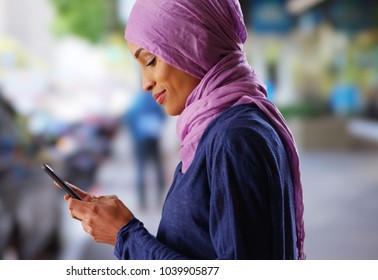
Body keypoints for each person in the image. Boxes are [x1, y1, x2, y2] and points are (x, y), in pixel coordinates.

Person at [63, 0, 305, 260]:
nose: (146, 83)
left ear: (193, 44)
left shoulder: (232, 139)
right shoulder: (220, 130)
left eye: (151, 60)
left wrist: (125, 235)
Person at [124, 89, 166, 210]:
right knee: (157, 168)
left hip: (140, 140)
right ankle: (160, 199)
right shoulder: (154, 99)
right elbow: (162, 116)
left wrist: (135, 134)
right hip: (153, 138)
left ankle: (142, 202)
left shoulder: (136, 100)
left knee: (141, 169)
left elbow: (129, 118)